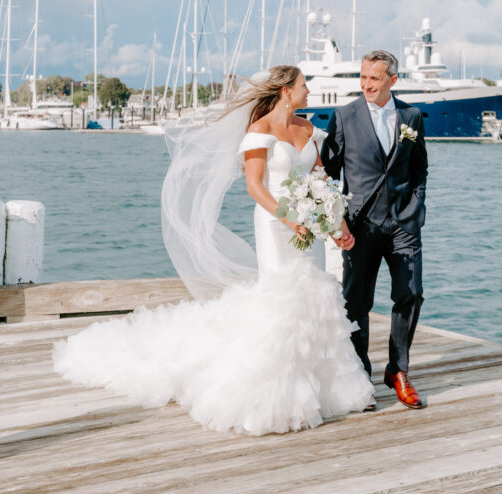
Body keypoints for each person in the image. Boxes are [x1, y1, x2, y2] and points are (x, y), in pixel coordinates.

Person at [53, 66, 374, 435]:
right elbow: (255, 186)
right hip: (276, 223)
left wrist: (337, 224)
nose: (309, 90)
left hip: (309, 223)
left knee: (315, 293)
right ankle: (278, 393)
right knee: (282, 296)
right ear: (286, 90)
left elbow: (321, 179)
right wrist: (288, 218)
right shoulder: (260, 130)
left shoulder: (306, 128)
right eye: (304, 85)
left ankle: (327, 388)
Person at [321, 50, 428, 409]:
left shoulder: (412, 116)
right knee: (357, 302)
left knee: (410, 293)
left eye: (375, 78)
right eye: (363, 77)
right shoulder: (344, 116)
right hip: (360, 225)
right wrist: (336, 220)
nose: (367, 85)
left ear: (392, 80)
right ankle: (360, 377)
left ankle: (398, 370)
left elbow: (419, 168)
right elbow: (328, 174)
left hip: (404, 223)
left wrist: (417, 206)